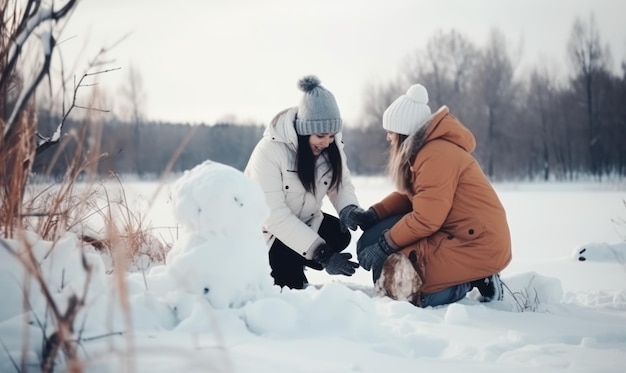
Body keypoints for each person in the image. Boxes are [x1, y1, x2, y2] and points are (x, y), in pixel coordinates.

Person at [353, 83, 512, 307]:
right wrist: (374, 214)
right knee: (370, 242)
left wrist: (384, 246)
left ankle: (473, 280)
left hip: (475, 243)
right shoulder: (425, 152)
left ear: (403, 132)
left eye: (391, 132)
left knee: (397, 287)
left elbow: (426, 218)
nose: (388, 138)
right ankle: (456, 276)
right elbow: (414, 197)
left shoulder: (435, 155)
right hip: (451, 232)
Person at [245, 75, 371, 290]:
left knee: (339, 234)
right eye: (321, 135)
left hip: (304, 221)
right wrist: (323, 254)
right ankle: (282, 269)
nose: (327, 141)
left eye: (332, 135)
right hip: (267, 234)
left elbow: (341, 184)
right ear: (303, 130)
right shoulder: (269, 151)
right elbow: (274, 216)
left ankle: (298, 259)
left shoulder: (329, 146)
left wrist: (349, 208)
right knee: (288, 290)